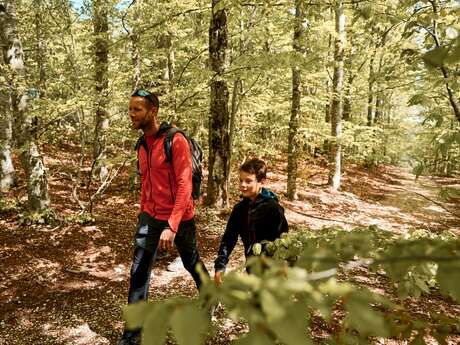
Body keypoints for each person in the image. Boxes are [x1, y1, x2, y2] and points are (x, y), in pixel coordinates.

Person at [118, 89, 209, 345]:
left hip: (180, 218)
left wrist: (172, 224)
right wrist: (143, 213)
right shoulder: (142, 144)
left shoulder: (175, 140)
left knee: (191, 262)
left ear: (152, 111)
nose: (131, 114)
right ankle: (132, 335)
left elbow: (185, 185)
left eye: (137, 109)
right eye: (130, 109)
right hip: (150, 217)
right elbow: (146, 183)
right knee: (138, 273)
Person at [214, 158, 289, 285]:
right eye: (241, 180)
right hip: (252, 269)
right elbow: (229, 238)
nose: (243, 185)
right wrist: (220, 266)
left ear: (262, 182)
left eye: (248, 181)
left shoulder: (273, 208)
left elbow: (283, 240)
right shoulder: (239, 209)